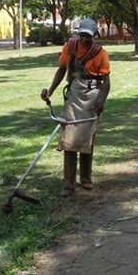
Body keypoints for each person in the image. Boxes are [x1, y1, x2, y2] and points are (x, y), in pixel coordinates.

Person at [41, 18, 111, 197]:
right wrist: (50, 91)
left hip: (92, 97)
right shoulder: (70, 47)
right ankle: (68, 183)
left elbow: (105, 82)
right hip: (73, 96)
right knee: (70, 140)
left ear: (95, 35)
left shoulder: (101, 54)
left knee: (87, 139)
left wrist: (101, 101)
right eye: (82, 36)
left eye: (88, 36)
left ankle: (86, 179)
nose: (85, 40)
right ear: (78, 33)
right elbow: (62, 70)